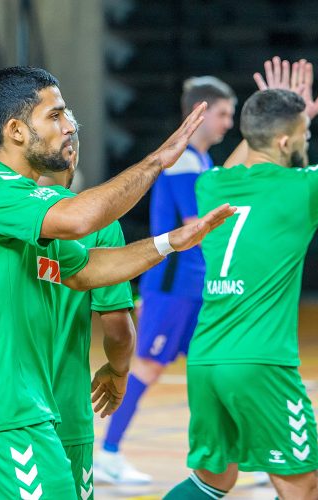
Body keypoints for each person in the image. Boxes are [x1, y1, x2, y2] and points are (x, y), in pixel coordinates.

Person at [0, 65, 234, 499]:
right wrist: (156, 161)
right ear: (16, 130)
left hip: (17, 408)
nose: (68, 125)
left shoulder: (25, 210)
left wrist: (171, 241)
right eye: (54, 116)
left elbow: (87, 271)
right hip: (4, 409)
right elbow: (82, 218)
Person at [164, 57, 318, 500]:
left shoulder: (212, 185)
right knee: (302, 487)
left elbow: (249, 150)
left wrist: (273, 108)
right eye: (305, 131)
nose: (308, 137)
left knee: (213, 480)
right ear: (285, 140)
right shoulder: (303, 187)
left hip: (207, 359)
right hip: (263, 363)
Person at [95, 76, 237, 483]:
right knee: (149, 367)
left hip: (195, 286)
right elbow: (195, 225)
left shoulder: (203, 162)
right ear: (203, 114)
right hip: (175, 286)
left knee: (213, 368)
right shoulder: (186, 163)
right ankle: (107, 452)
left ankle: (227, 454)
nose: (229, 123)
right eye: (224, 114)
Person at [37, 109, 137, 499]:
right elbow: (117, 328)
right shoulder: (99, 225)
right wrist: (118, 369)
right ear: (72, 158)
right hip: (60, 408)